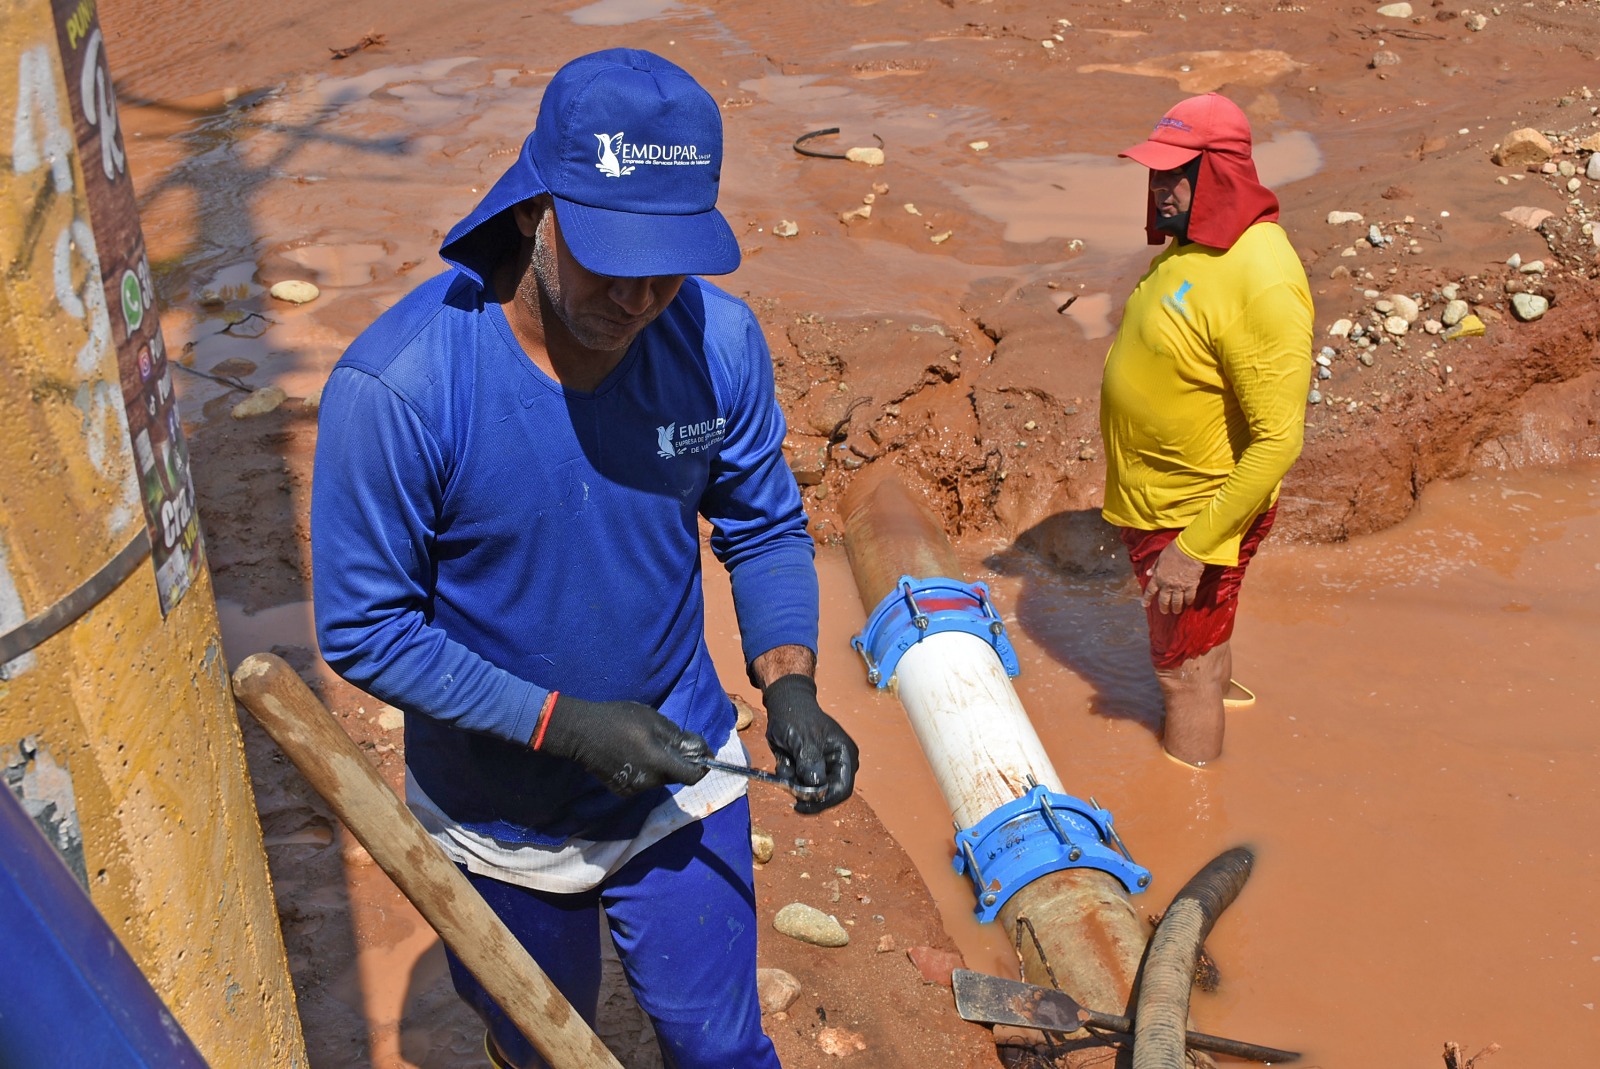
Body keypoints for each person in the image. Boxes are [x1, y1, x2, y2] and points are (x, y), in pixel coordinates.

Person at [310, 48, 858, 1069]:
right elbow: (363, 628)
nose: (644, 294)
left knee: (721, 1047)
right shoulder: (402, 389)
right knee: (544, 1048)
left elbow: (764, 524)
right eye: (613, 255)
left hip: (677, 772)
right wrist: (560, 726)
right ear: (534, 213)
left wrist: (790, 681)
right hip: (496, 811)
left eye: (672, 260)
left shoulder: (718, 345)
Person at [1099, 93, 1313, 768]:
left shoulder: (1263, 276)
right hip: (1164, 501)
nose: (1157, 186)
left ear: (1218, 174)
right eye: (1154, 172)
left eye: (1173, 173)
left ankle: (1190, 804)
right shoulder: (1199, 243)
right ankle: (1215, 678)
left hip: (1193, 513)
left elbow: (1279, 439)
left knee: (1181, 676)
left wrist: (1193, 549)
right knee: (1201, 654)